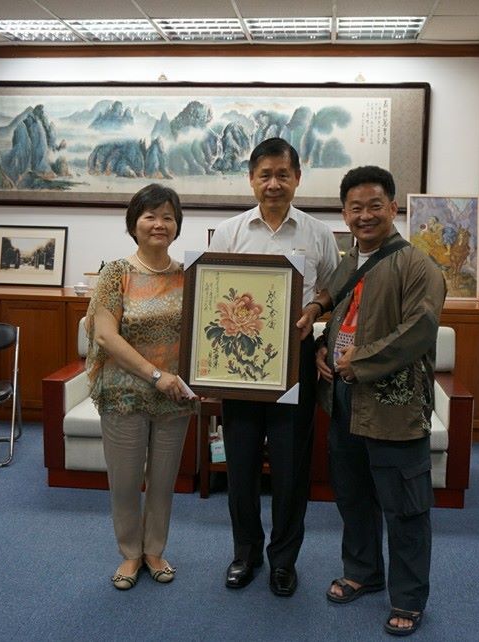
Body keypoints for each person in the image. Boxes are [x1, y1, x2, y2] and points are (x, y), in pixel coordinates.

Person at [308, 166, 445, 636]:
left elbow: (419, 331)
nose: (364, 216)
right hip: (344, 400)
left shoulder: (418, 265)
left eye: (374, 206)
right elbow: (338, 316)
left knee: (405, 505)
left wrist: (359, 362)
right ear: (344, 213)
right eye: (355, 208)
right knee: (353, 494)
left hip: (394, 406)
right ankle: (363, 571)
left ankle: (408, 597)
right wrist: (323, 348)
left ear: (392, 208)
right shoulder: (349, 261)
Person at [208, 137, 340, 597]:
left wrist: (315, 312)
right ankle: (245, 553)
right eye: (264, 175)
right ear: (251, 179)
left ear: (298, 178)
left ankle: (284, 560)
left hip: (294, 360)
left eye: (283, 174)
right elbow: (212, 292)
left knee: (290, 468)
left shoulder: (318, 234)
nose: (274, 184)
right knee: (240, 465)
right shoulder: (230, 232)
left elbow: (333, 291)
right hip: (238, 365)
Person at [85, 183, 195, 591]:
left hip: (174, 397)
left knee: (164, 482)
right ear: (134, 224)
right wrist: (155, 375)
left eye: (168, 216)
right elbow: (105, 335)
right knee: (126, 482)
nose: (159, 224)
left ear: (177, 225)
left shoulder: (189, 275)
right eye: (150, 216)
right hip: (124, 394)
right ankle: (131, 553)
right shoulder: (116, 273)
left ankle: (155, 550)